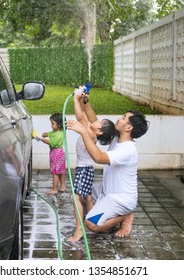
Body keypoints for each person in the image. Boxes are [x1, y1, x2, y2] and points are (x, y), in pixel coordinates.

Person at [67, 92, 149, 238]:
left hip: (121, 199)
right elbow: (94, 121)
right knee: (77, 196)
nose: (119, 118)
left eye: (124, 118)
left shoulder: (128, 150)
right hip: (105, 191)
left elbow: (99, 157)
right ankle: (110, 213)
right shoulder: (117, 137)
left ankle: (125, 216)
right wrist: (85, 101)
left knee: (92, 224)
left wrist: (84, 132)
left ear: (128, 128)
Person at [68, 86, 116, 242]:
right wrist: (83, 99)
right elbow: (86, 114)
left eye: (100, 122)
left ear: (100, 131)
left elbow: (80, 116)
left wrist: (75, 99)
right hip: (86, 169)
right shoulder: (93, 130)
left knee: (75, 197)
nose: (97, 120)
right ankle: (93, 222)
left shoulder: (89, 132)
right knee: (87, 197)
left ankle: (79, 229)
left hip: (84, 169)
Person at [37, 112, 67, 195]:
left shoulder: (58, 135)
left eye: (53, 123)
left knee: (55, 172)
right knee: (60, 171)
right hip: (60, 153)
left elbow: (52, 143)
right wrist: (44, 134)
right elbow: (49, 133)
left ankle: (54, 189)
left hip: (56, 154)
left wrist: (41, 139)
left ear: (59, 125)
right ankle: (63, 186)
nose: (51, 125)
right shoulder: (57, 131)